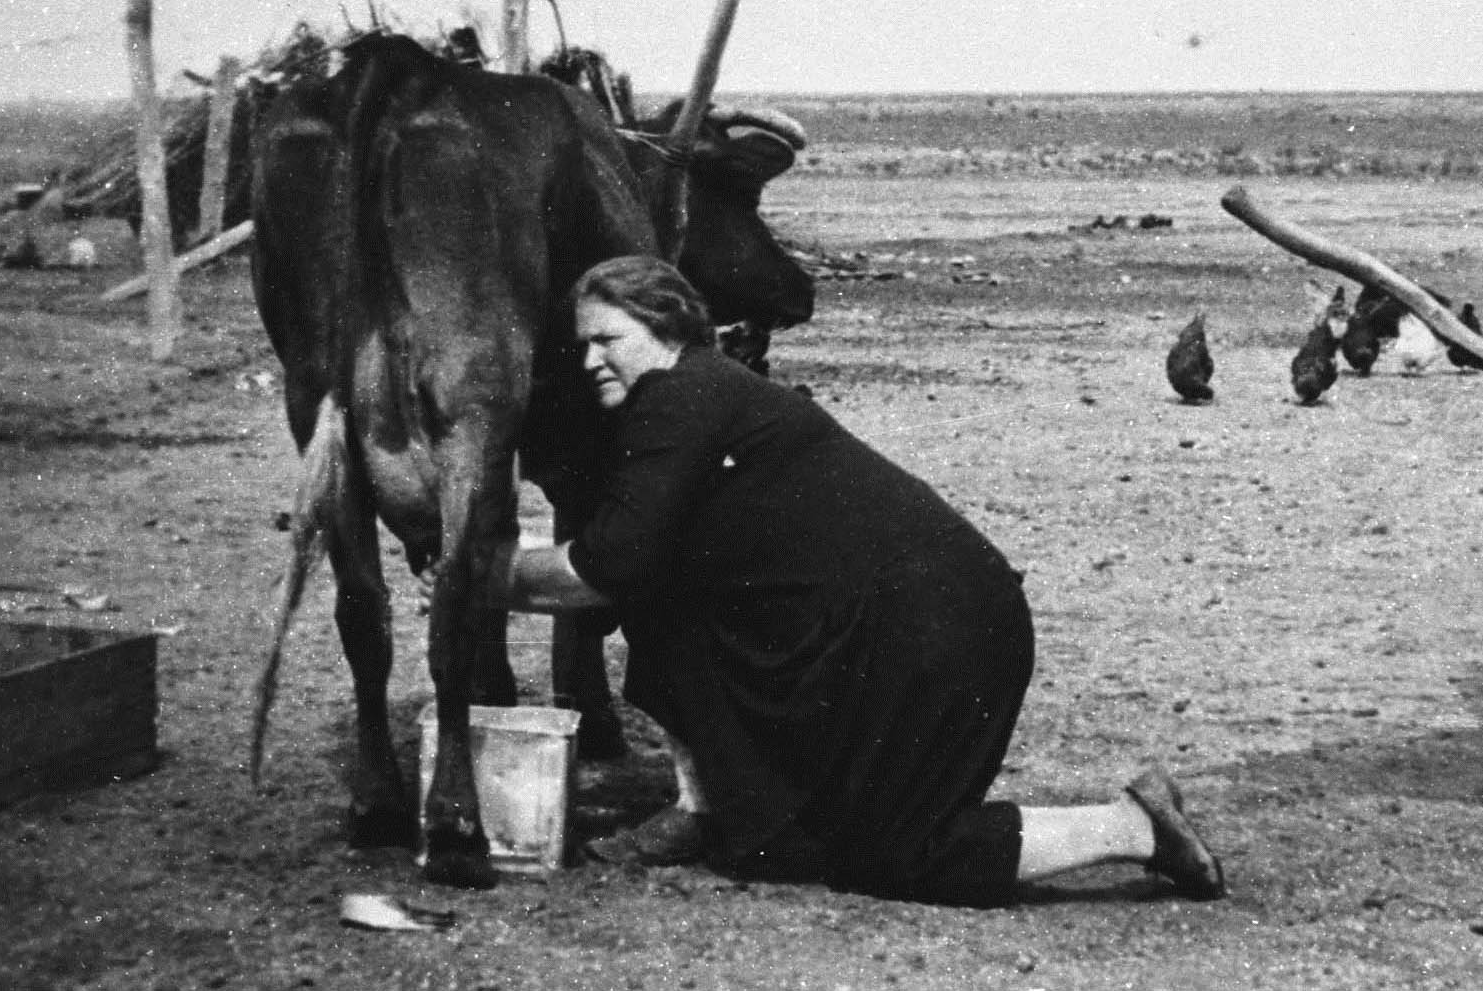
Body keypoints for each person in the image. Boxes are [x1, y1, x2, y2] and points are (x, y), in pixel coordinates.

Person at [492, 254, 1226, 906]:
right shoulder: (699, 397)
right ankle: (705, 805)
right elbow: (632, 561)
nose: (590, 360)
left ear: (669, 328)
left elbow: (601, 568)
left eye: (607, 340)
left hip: (931, 631)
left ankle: (1131, 825)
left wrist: (486, 578)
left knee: (899, 856)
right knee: (770, 816)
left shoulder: (683, 397)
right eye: (581, 343)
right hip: (889, 621)